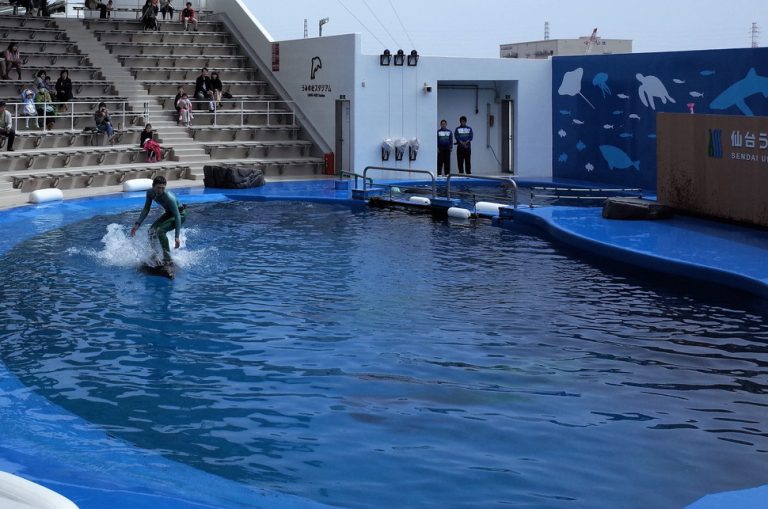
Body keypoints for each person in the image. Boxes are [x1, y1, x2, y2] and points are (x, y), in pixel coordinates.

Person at [130, 176, 187, 265]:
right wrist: (137, 224)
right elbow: (146, 209)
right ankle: (155, 254)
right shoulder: (150, 193)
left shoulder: (169, 197)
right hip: (169, 213)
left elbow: (177, 215)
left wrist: (176, 237)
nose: (160, 190)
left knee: (160, 231)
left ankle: (168, 259)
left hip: (180, 215)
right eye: (158, 188)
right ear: (153, 186)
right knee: (151, 231)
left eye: (163, 188)